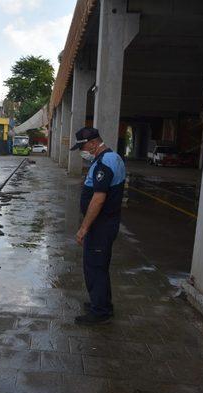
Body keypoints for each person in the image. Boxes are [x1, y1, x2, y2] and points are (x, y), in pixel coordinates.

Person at [71, 127, 126, 325]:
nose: (82, 151)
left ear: (93, 143)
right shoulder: (112, 158)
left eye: (83, 147)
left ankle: (100, 312)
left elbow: (99, 198)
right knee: (98, 265)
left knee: (95, 266)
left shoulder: (105, 162)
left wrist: (84, 227)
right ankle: (101, 302)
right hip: (104, 222)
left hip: (101, 224)